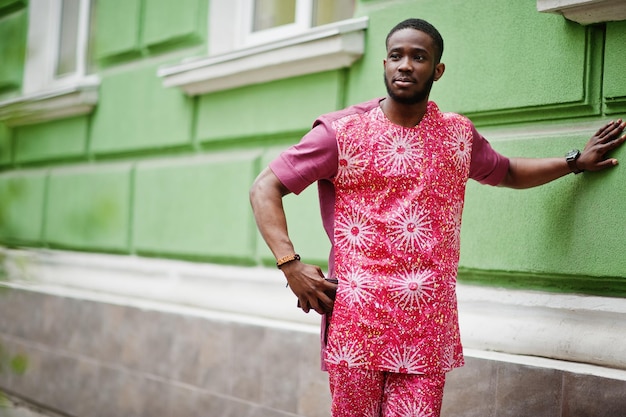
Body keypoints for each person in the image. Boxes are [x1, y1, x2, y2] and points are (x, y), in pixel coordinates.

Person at [249, 18, 626, 417]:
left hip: (428, 322)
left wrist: (574, 162)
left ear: (437, 70)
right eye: (396, 56)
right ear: (384, 64)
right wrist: (290, 265)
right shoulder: (340, 133)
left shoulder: (457, 135)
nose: (405, 65)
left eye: (419, 57)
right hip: (357, 319)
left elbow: (508, 171)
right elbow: (265, 187)